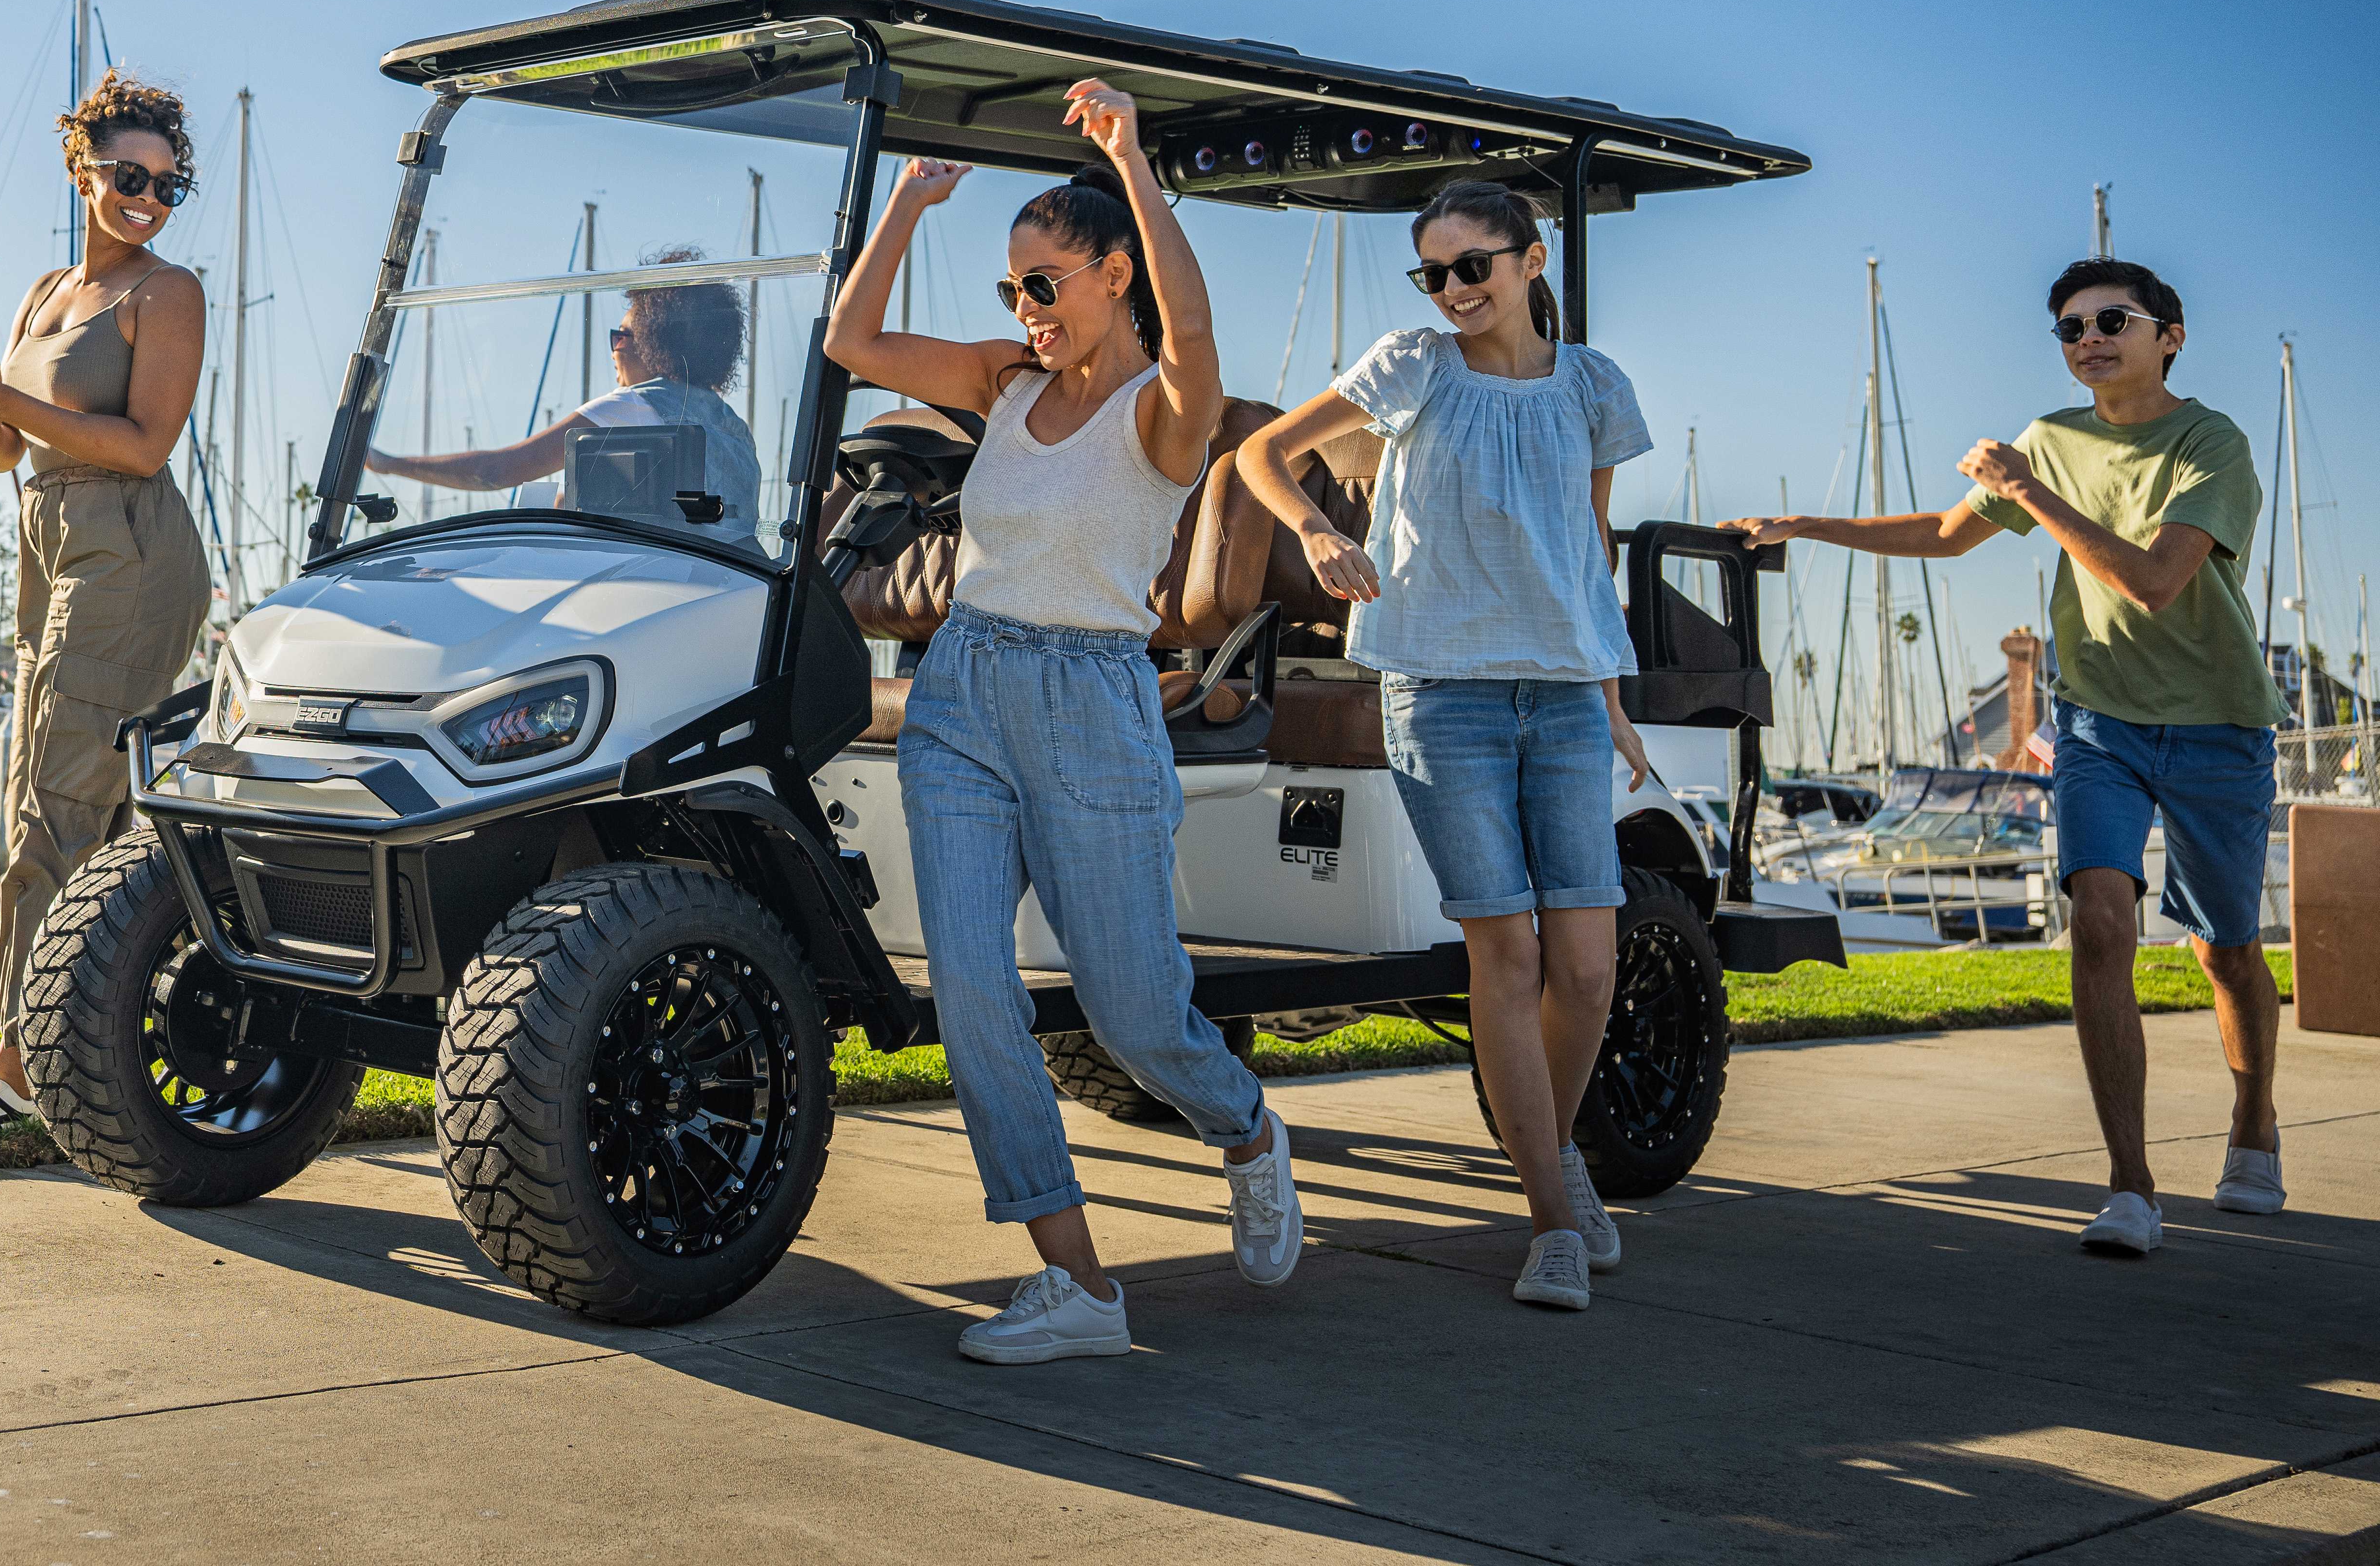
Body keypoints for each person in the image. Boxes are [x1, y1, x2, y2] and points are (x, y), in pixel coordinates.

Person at [823, 83, 1303, 1367]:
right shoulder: (1000, 383)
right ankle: (1078, 1286)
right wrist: (909, 207)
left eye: (1044, 286)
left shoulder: (1165, 409)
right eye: (1010, 291)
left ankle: (1249, 1131)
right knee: (975, 996)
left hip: (1092, 704)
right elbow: (853, 343)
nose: (1025, 313)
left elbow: (1193, 323)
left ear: (1111, 276)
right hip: (966, 689)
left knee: (1136, 1015)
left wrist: (1136, 163)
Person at [1727, 255, 2284, 1252]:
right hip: (2098, 724)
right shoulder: (2050, 438)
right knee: (2103, 924)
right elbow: (1946, 535)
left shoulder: (2212, 442)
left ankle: (2253, 1122)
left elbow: (2155, 580)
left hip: (2218, 724)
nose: (2090, 340)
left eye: (2113, 320)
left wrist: (2027, 490)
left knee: (2227, 950)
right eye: (2070, 329)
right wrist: (1805, 524)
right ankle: (2132, 1186)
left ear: (2171, 335)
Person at [1237, 180, 1658, 1316]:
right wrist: (1319, 528)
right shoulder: (1412, 363)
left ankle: (1551, 1151)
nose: (1453, 290)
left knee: (1586, 964)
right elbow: (1262, 457)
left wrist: (1612, 695)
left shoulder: (1594, 386)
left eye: (1473, 266)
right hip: (1442, 694)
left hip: (1567, 694)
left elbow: (1587, 547)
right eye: (1433, 273)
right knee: (1506, 959)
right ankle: (1551, 1222)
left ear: (1528, 263)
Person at [0, 72, 216, 1136]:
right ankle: (113, 1034)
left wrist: (7, 402)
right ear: (81, 169)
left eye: (170, 184)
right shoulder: (45, 292)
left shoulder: (166, 294)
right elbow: (8, 450)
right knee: (71, 798)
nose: (148, 199)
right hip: (50, 541)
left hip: (129, 549)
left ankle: (17, 1074)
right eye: (129, 176)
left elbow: (142, 445)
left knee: (61, 804)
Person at [364, 248, 764, 547]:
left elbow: (496, 472)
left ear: (657, 340)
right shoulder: (735, 431)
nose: (613, 347)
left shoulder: (635, 407)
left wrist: (389, 465)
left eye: (622, 335)